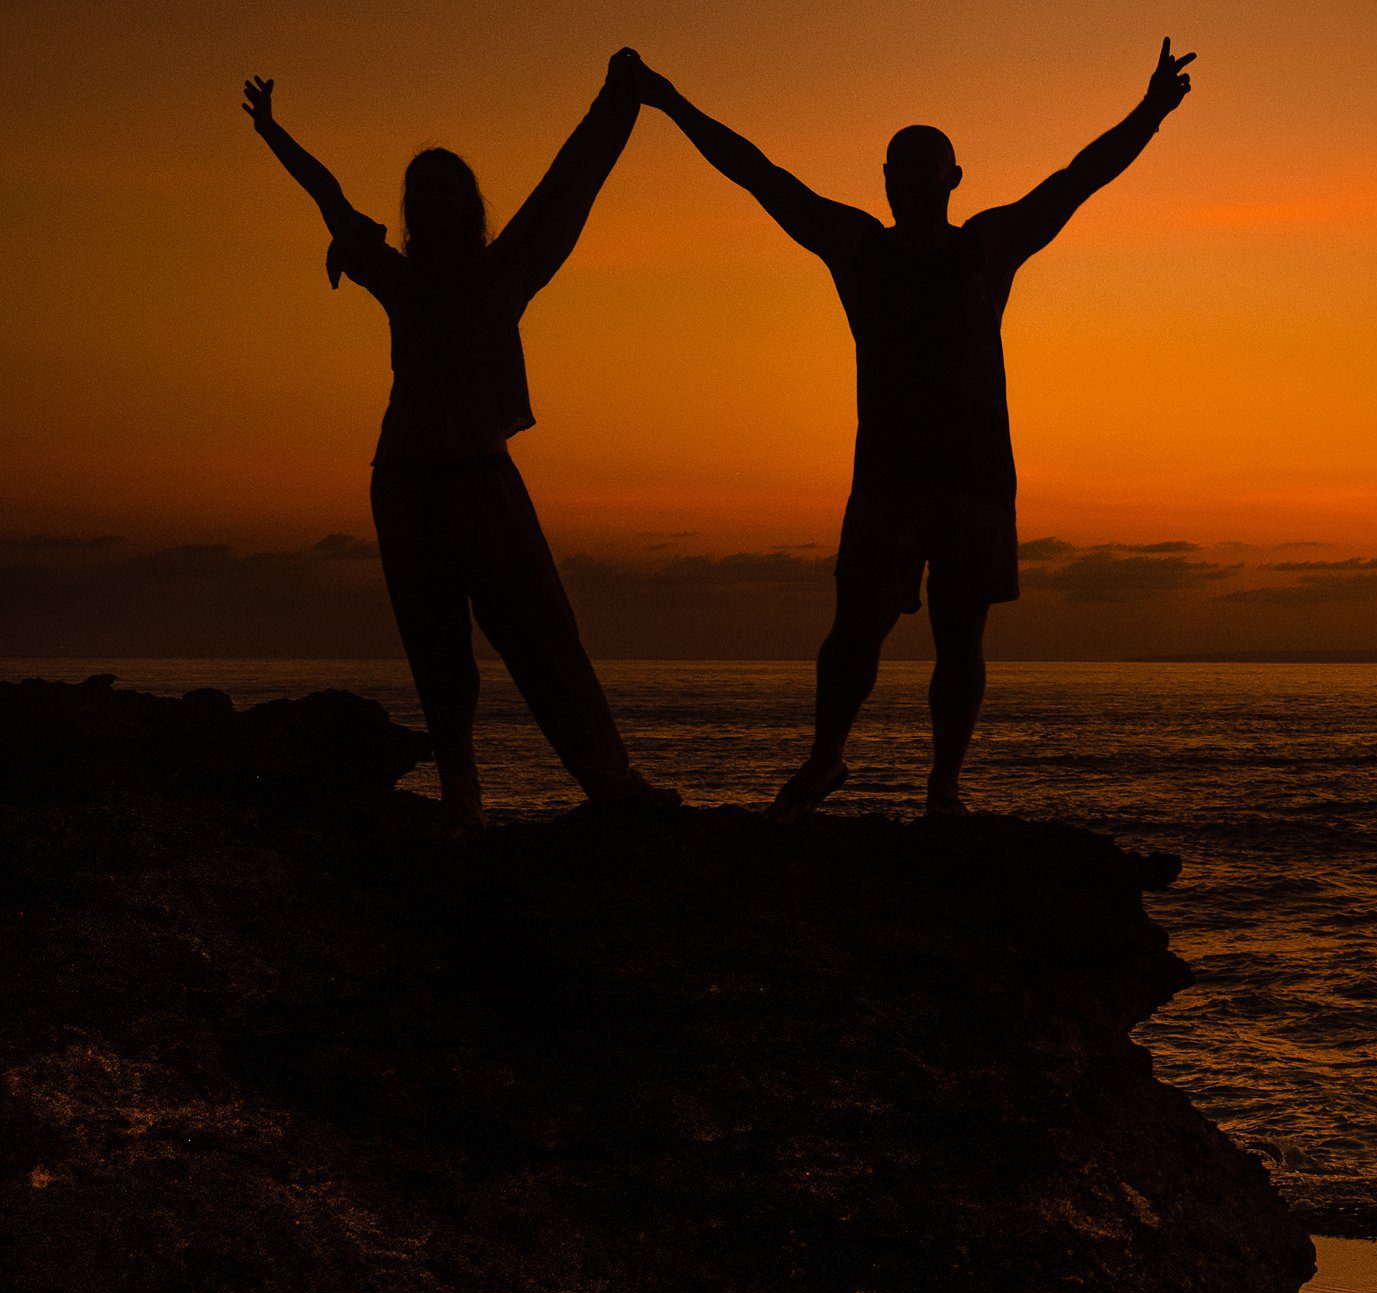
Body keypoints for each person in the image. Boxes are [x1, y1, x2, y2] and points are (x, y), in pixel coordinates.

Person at [633, 41, 1197, 819]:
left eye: (924, 167)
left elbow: (1078, 179)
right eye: (898, 168)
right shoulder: (859, 248)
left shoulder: (986, 246)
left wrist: (1150, 113)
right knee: (852, 636)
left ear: (952, 179)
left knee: (959, 642)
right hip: (889, 483)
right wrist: (669, 101)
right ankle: (826, 758)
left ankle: (944, 788)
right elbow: (761, 175)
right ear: (887, 180)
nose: (909, 180)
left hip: (973, 482)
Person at [244, 58, 676, 828]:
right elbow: (327, 195)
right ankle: (461, 798)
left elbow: (565, 186)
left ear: (469, 205)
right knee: (437, 651)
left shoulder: (504, 269)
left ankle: (611, 784)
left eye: (450, 189)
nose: (436, 200)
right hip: (407, 481)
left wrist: (617, 100)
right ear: (411, 210)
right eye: (423, 191)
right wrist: (274, 133)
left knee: (543, 636)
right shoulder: (395, 275)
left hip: (481, 476)